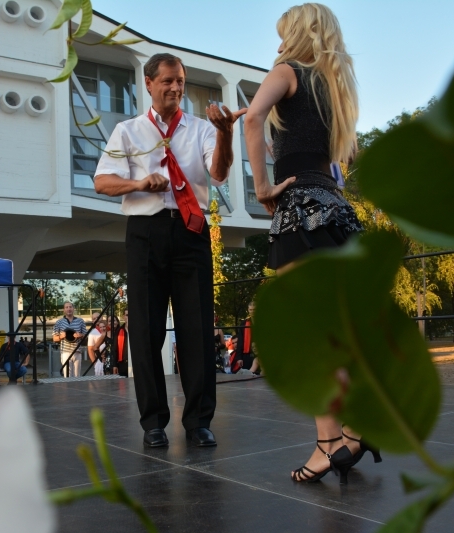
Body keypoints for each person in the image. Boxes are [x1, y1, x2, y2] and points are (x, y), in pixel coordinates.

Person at [243, 3, 373, 483]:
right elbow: (344, 156)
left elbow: (253, 119)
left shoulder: (288, 70)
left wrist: (260, 186)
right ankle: (356, 426)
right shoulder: (336, 88)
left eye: (284, 34)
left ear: (299, 34)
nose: (278, 45)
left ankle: (327, 443)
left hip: (299, 211)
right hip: (337, 211)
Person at [94, 53, 245, 448]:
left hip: (192, 230)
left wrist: (226, 133)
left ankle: (198, 421)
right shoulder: (127, 131)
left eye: (180, 81)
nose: (176, 88)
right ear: (148, 83)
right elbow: (102, 182)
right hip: (145, 231)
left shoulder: (201, 128)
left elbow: (218, 173)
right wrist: (140, 184)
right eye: (168, 81)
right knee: (145, 330)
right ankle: (154, 423)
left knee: (197, 329)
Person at [52, 301, 86, 377]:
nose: (69, 309)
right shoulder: (59, 322)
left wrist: (80, 335)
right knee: (67, 376)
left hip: (77, 351)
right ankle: (68, 388)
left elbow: (85, 336)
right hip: (65, 352)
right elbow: (54, 338)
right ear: (64, 310)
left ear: (73, 309)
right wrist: (61, 336)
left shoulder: (80, 321)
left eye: (70, 307)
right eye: (66, 307)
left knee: (77, 376)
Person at [232, 302, 259, 374]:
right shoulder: (244, 323)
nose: (252, 311)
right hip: (246, 356)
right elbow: (240, 341)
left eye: (254, 309)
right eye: (251, 310)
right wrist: (239, 358)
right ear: (248, 310)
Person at [111, 312, 129, 377]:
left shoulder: (138, 330)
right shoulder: (119, 331)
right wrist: (115, 365)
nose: (129, 317)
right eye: (127, 315)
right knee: (123, 385)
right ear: (124, 317)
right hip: (122, 363)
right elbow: (115, 349)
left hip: (135, 362)